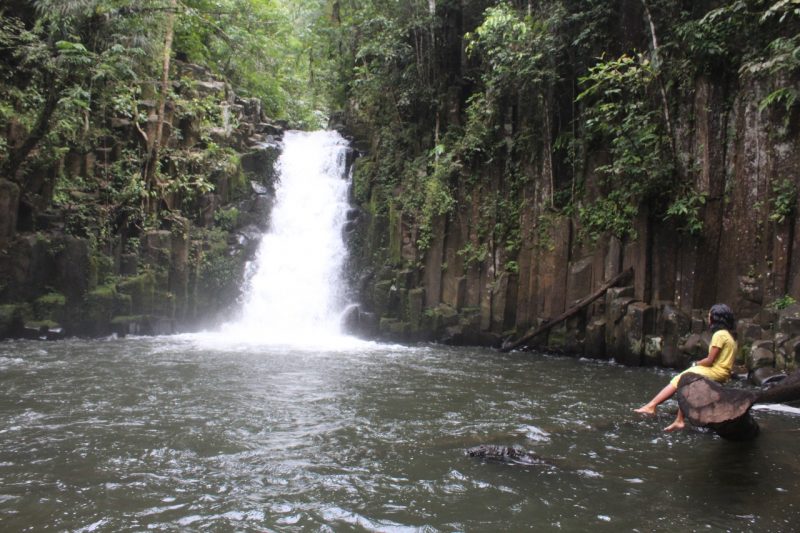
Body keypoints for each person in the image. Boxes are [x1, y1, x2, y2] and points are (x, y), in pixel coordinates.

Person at [634, 303, 738, 431]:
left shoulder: (719, 335)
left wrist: (697, 363)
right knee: (686, 380)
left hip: (716, 371)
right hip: (723, 374)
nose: (708, 317)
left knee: (681, 378)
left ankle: (651, 406)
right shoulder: (729, 337)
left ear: (716, 318)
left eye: (710, 315)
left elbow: (710, 360)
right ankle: (678, 419)